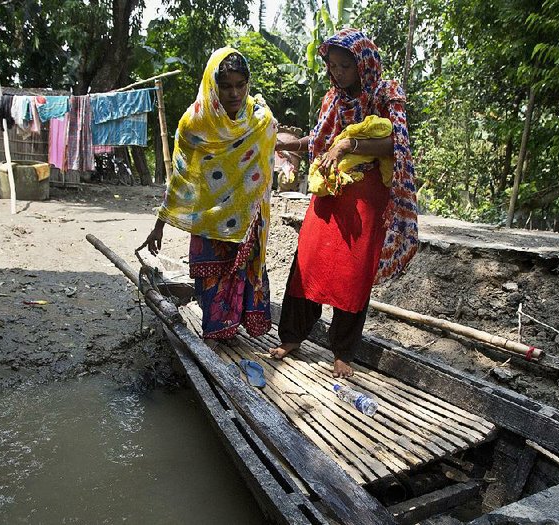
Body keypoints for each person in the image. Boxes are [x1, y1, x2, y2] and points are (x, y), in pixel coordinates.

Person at [271, 29, 418, 377]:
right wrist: (284, 145)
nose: (337, 73)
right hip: (332, 188)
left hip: (368, 193)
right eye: (332, 65)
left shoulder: (386, 95)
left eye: (345, 66)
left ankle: (343, 351)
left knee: (354, 272)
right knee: (308, 259)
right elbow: (321, 141)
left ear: (363, 65)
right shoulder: (332, 99)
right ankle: (293, 337)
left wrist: (347, 147)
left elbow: (396, 146)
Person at [142, 48, 277, 340]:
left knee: (239, 273)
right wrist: (159, 225)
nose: (234, 93)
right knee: (212, 279)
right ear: (213, 85)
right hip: (209, 219)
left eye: (240, 85)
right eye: (226, 86)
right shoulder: (195, 123)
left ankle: (232, 330)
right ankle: (215, 333)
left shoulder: (258, 118)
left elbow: (267, 157)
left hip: (246, 219)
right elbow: (180, 176)